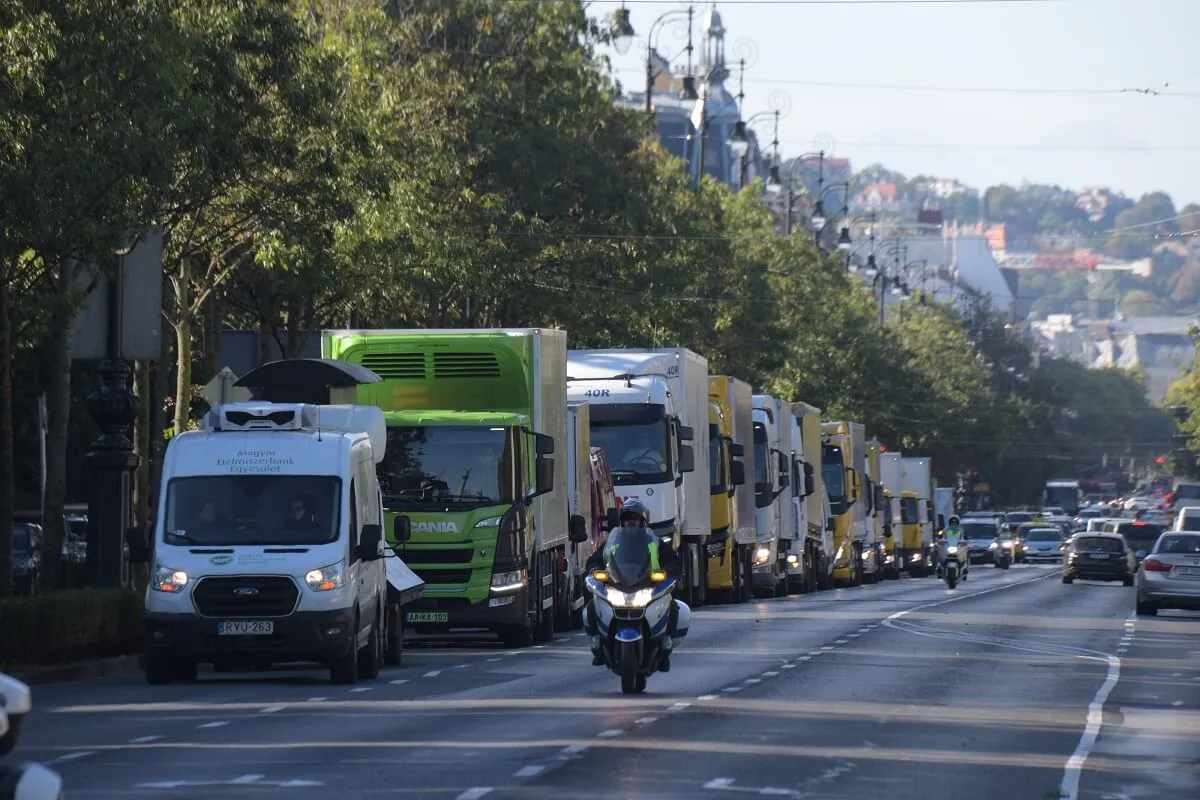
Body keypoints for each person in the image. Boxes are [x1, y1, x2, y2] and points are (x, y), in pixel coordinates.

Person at [584, 500, 682, 671]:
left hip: (649, 587)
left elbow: (673, 563)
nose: (631, 523)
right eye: (627, 519)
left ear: (643, 522)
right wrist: (594, 569)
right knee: (592, 605)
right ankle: (598, 645)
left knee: (673, 606)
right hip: (618, 586)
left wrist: (669, 572)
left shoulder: (655, 543)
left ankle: (666, 648)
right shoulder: (612, 543)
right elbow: (596, 560)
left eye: (635, 519)